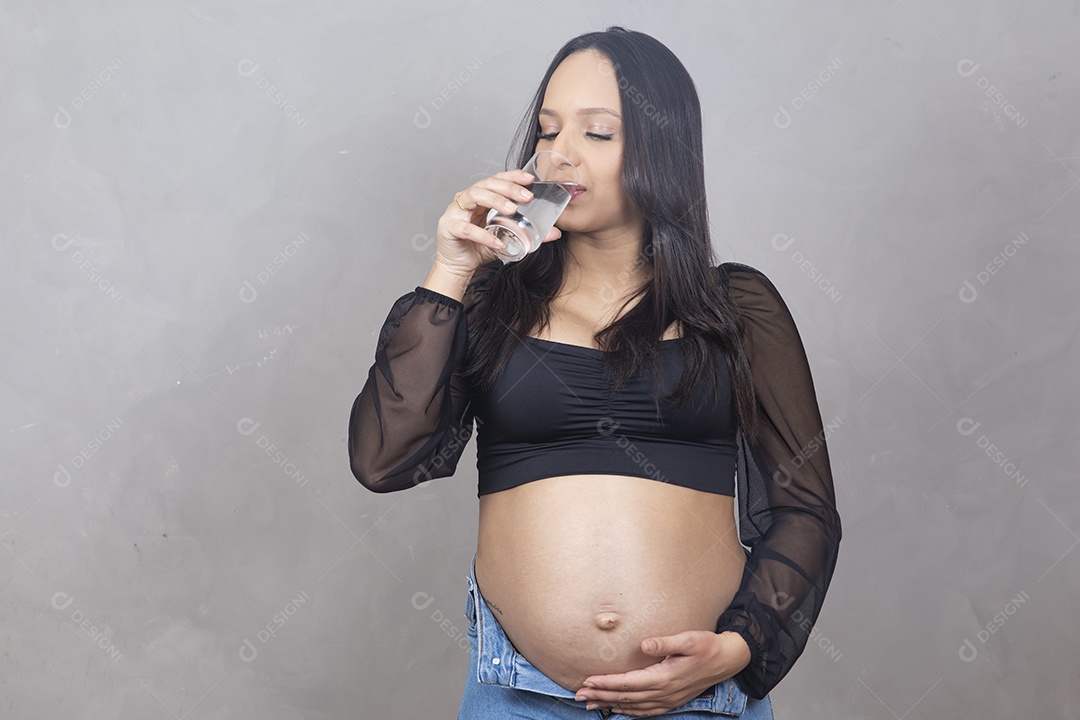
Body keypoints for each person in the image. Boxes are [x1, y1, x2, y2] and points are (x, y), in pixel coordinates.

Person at [348, 26, 841, 719]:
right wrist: (454, 269)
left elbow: (804, 510)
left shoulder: (735, 308)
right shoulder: (489, 303)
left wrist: (735, 649)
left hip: (699, 701)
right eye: (548, 132)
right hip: (519, 696)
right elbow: (383, 460)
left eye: (599, 133)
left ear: (662, 151)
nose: (560, 155)